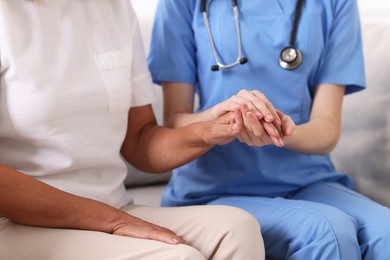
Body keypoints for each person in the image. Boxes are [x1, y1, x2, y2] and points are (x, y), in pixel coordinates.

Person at [0, 1, 266, 259]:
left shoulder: (114, 8)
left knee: (237, 229)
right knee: (177, 256)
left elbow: (140, 142)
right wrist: (113, 222)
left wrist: (208, 132)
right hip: (15, 223)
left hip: (112, 207)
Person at [148, 0, 390, 259]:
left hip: (306, 181)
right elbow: (174, 121)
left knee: (385, 231)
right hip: (214, 188)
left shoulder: (337, 3)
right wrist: (223, 118)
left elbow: (327, 129)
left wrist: (279, 131)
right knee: (327, 232)